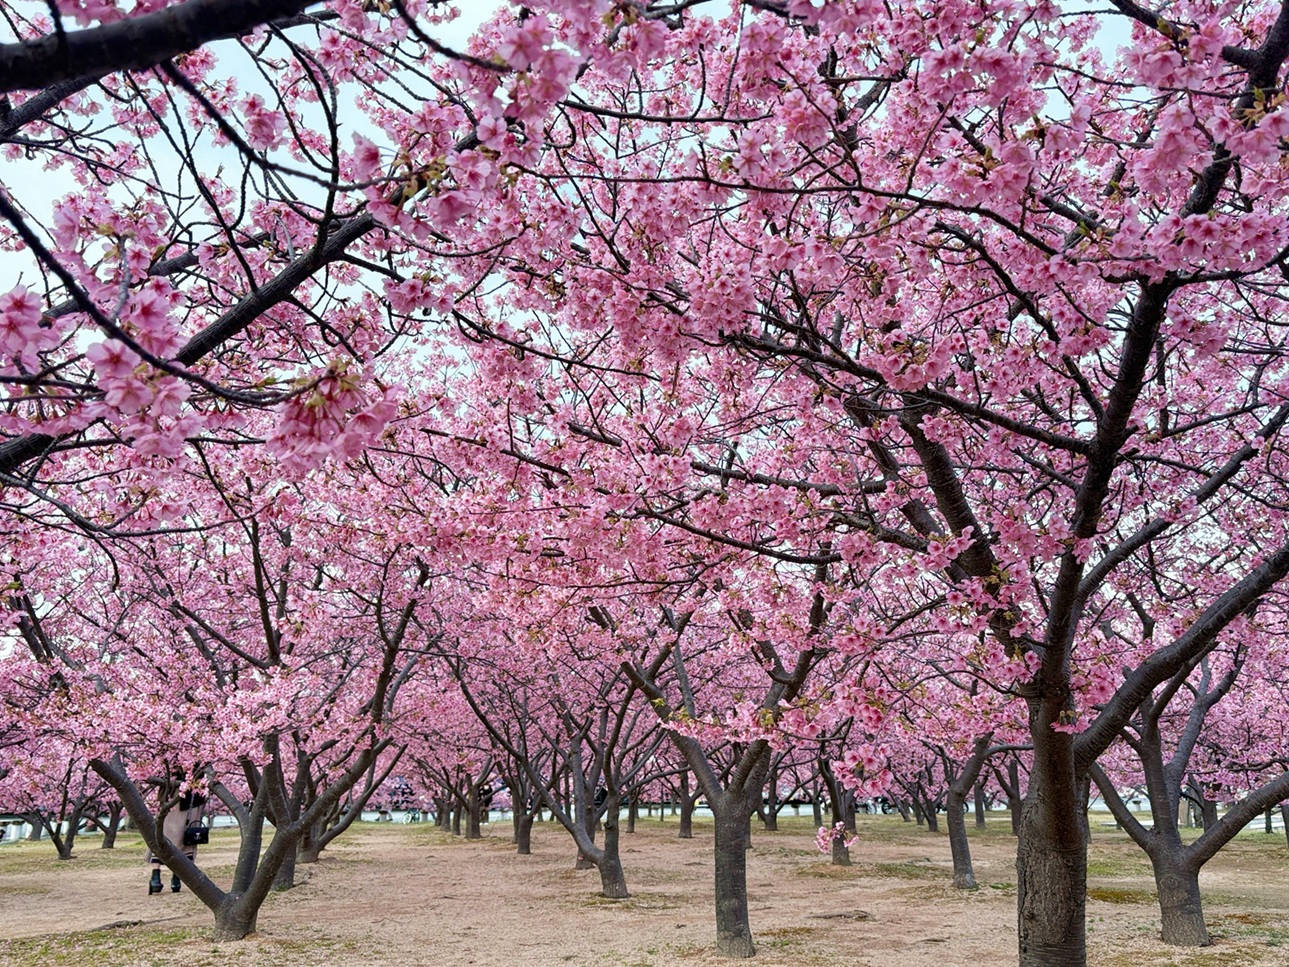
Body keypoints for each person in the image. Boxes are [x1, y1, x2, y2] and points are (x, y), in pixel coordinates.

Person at [148, 785, 206, 895]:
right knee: (184, 837)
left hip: (170, 796)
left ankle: (156, 876)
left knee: (164, 834)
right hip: (189, 799)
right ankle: (176, 878)